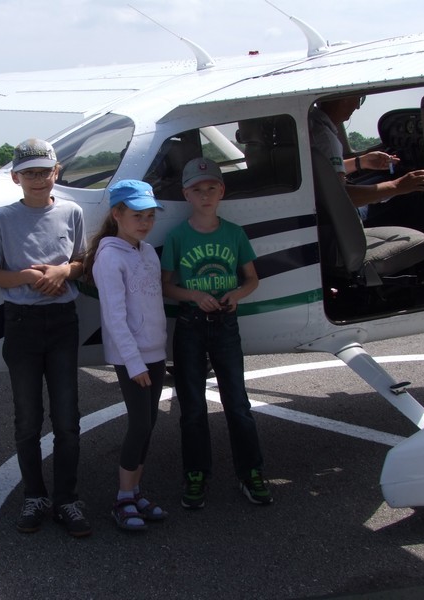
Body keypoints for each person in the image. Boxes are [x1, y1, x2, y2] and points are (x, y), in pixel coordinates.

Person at [0, 137, 91, 538]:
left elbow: (82, 262)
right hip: (21, 323)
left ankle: (66, 499)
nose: (38, 179)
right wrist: (26, 277)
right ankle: (34, 496)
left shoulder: (72, 212)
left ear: (56, 172)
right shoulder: (1, 218)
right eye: (29, 173)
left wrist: (64, 271)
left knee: (67, 419)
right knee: (27, 420)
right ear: (16, 178)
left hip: (62, 322)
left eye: (45, 171)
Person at [160, 157, 273, 509]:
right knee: (192, 408)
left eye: (211, 188)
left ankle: (251, 471)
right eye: (197, 190)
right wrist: (194, 296)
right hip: (190, 325)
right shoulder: (177, 236)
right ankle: (196, 473)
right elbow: (166, 285)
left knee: (237, 403)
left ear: (222, 191)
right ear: (186, 195)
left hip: (225, 324)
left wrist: (236, 295)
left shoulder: (234, 233)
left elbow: (251, 278)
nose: (205, 195)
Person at [85, 179, 168, 531]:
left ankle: (135, 491)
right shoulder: (109, 257)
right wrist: (134, 363)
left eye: (150, 216)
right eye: (137, 215)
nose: (145, 222)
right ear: (117, 214)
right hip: (131, 358)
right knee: (139, 424)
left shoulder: (147, 252)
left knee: (149, 423)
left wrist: (159, 350)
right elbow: (114, 317)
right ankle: (122, 498)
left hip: (155, 353)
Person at [309, 95, 424, 212]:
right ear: (344, 98)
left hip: (321, 205)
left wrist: (362, 162)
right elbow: (339, 197)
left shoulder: (312, 123)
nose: (357, 106)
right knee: (404, 197)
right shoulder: (325, 139)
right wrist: (397, 186)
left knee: (381, 178)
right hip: (336, 215)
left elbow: (324, 171)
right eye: (358, 98)